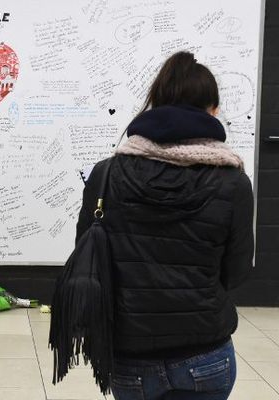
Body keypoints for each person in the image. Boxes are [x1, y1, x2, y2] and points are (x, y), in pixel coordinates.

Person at [75, 51, 253, 400]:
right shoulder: (232, 182)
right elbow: (236, 273)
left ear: (154, 104)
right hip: (205, 354)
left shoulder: (106, 174)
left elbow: (88, 256)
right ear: (212, 111)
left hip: (129, 356)